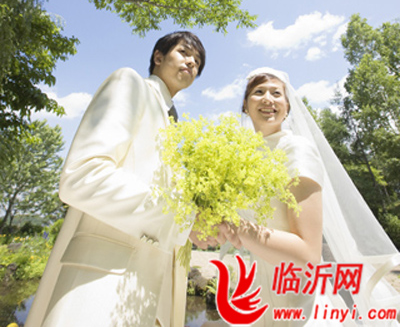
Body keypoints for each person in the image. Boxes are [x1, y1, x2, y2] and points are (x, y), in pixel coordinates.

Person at [25, 31, 206, 327]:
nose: (191, 62)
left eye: (197, 61)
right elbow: (83, 176)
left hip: (155, 303)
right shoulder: (130, 84)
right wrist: (182, 218)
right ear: (158, 57)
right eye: (184, 53)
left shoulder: (178, 131)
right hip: (99, 290)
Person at [215, 68, 400, 326]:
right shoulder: (241, 161)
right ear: (245, 105)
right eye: (258, 92)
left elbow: (307, 256)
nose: (268, 98)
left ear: (287, 106)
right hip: (258, 300)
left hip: (296, 303)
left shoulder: (296, 150)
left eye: (276, 93)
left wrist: (237, 227)